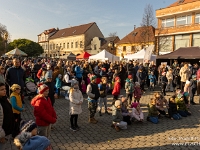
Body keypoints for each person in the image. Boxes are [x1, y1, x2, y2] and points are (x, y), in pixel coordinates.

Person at [0, 83, 14, 150]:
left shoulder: (5, 99)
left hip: (7, 130)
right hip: (2, 133)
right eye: (2, 89)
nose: (5, 90)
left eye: (5, 89)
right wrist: (1, 135)